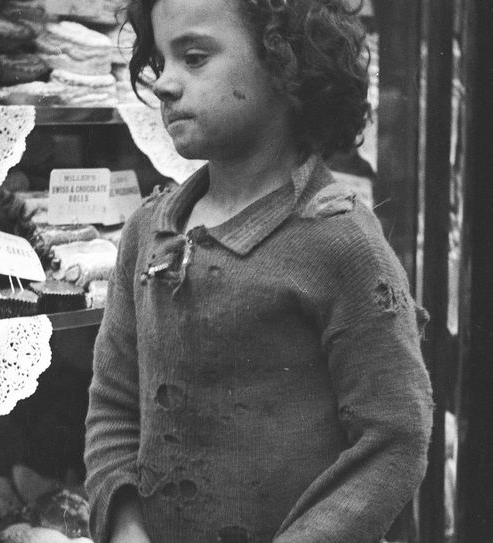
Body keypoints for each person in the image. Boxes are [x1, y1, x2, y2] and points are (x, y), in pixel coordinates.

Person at [83, 0, 434, 542]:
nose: (163, 84)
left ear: (284, 63)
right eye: (159, 60)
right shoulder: (147, 233)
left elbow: (394, 438)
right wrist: (126, 528)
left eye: (194, 57)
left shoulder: (341, 242)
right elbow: (113, 404)